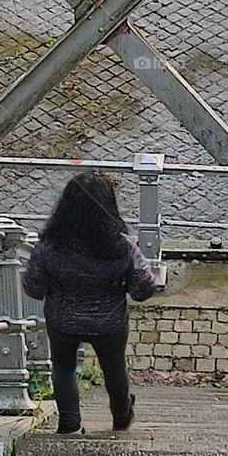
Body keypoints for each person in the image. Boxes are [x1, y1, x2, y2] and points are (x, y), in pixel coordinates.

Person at [22, 170, 156, 435]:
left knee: (62, 367)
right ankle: (121, 415)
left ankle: (70, 423)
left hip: (62, 320)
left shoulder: (49, 246)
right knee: (114, 367)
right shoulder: (122, 246)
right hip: (110, 323)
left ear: (65, 206)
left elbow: (33, 288)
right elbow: (143, 288)